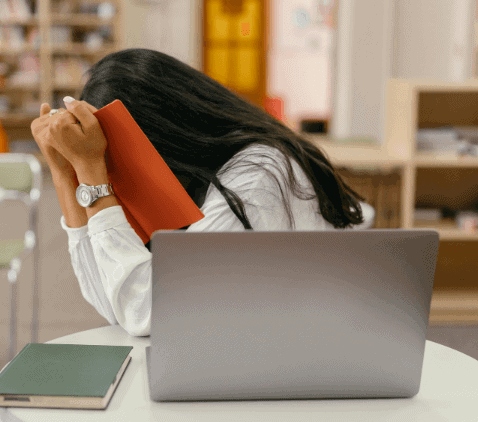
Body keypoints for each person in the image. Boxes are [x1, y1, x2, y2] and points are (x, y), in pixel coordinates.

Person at [31, 48, 365, 337]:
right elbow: (115, 304)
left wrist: (92, 173)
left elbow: (146, 310)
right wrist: (64, 173)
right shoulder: (207, 178)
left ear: (161, 133)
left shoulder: (256, 176)